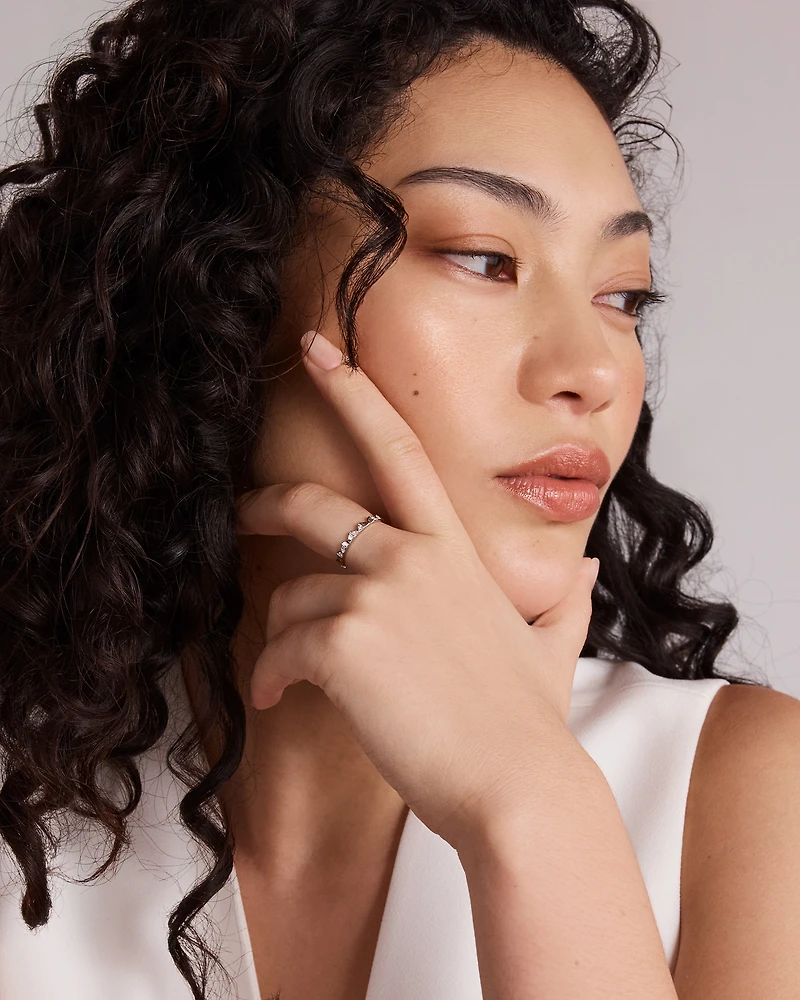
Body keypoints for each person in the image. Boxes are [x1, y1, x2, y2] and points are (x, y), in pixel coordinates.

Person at [1, 0, 798, 998]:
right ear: (217, 294)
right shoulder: (21, 801)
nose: (593, 369)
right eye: (481, 256)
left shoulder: (741, 798)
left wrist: (529, 803)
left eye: (622, 294)